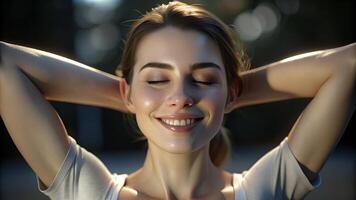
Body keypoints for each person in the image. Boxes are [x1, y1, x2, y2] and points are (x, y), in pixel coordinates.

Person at [0, 1, 355, 200]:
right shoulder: (90, 192)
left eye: (202, 79)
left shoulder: (262, 191)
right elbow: (5, 64)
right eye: (156, 79)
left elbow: (348, 65)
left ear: (231, 92)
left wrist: (222, 95)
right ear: (129, 92)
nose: (181, 97)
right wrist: (134, 99)